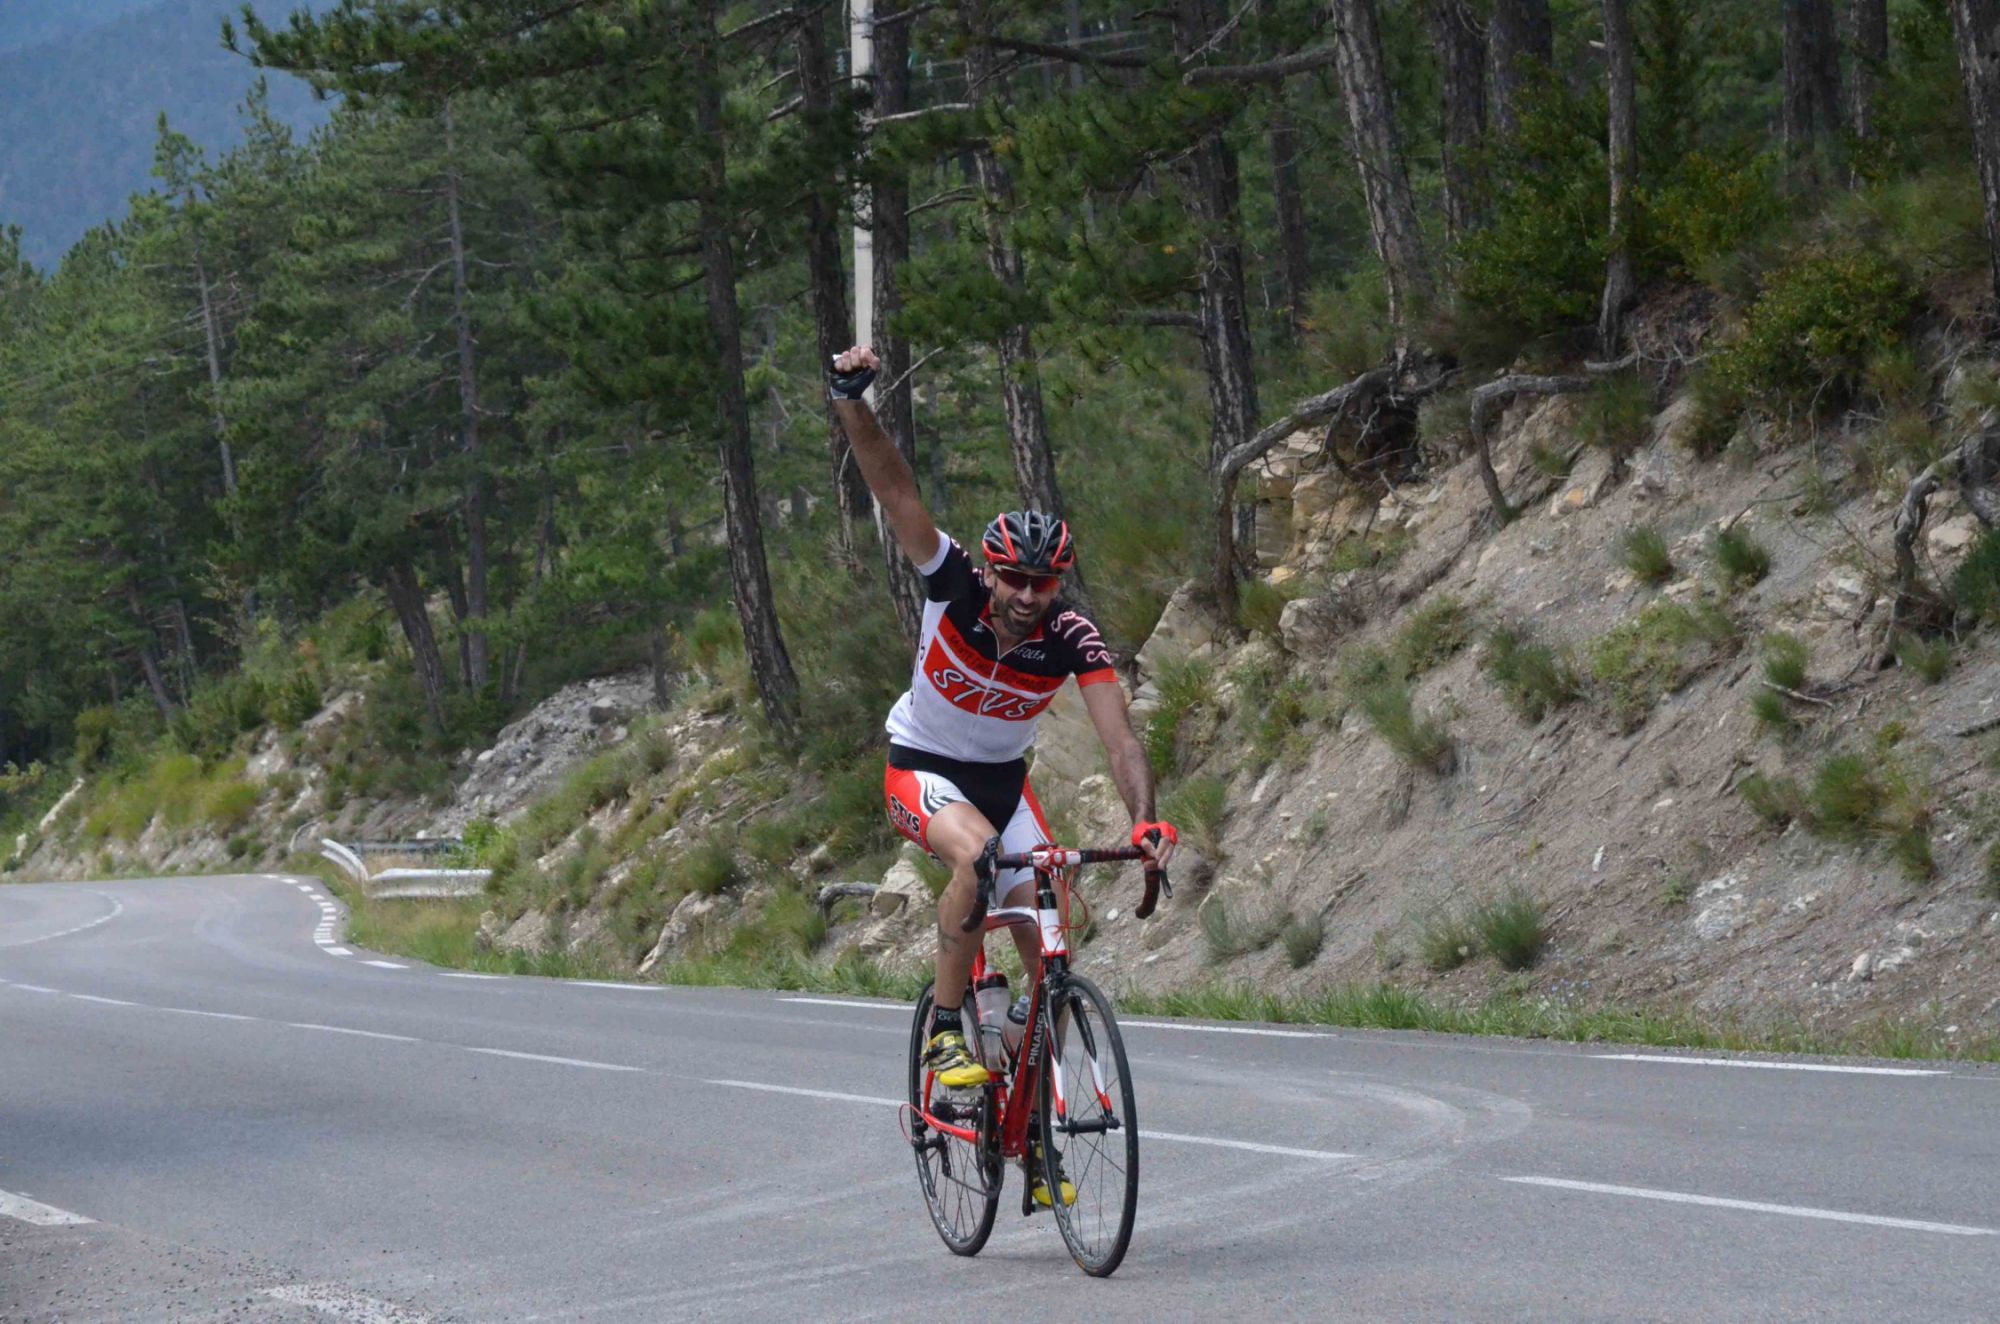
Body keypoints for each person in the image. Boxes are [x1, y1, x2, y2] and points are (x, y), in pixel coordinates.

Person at [829, 345, 1176, 1204]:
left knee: (1051, 935)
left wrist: (1144, 820)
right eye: (1015, 578)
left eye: (1044, 582)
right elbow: (895, 491)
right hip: (922, 769)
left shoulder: (1071, 637)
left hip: (1001, 782)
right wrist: (852, 402)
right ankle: (948, 1028)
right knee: (979, 859)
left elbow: (1120, 740)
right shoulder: (951, 583)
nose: (1027, 594)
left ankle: (1028, 1126)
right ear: (990, 570)